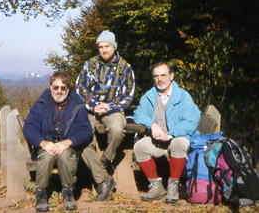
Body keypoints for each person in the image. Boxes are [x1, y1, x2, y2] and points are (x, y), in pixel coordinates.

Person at [75, 30, 135, 200]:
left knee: (117, 128)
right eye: (100, 47)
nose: (103, 50)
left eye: (107, 46)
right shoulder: (90, 65)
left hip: (113, 109)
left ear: (114, 47)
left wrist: (109, 107)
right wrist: (94, 105)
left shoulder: (125, 68)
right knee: (82, 137)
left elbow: (128, 95)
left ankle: (105, 160)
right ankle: (103, 179)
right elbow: (80, 88)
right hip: (91, 110)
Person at [23, 72, 92, 212]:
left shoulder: (77, 105)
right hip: (46, 145)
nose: (59, 91)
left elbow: (85, 130)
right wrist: (42, 143)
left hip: (67, 146)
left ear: (68, 89)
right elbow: (29, 127)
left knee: (65, 155)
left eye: (63, 88)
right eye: (56, 87)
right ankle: (41, 193)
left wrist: (68, 142)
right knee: (46, 157)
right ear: (50, 87)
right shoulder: (41, 104)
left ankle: (68, 192)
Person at [133, 62, 201, 203]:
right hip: (157, 141)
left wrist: (170, 134)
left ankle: (173, 187)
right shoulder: (149, 96)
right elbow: (138, 114)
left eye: (163, 75)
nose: (160, 79)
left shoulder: (183, 96)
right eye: (156, 76)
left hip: (178, 138)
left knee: (179, 143)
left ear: (171, 76)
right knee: (139, 147)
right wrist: (152, 124)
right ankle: (156, 187)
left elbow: (192, 120)